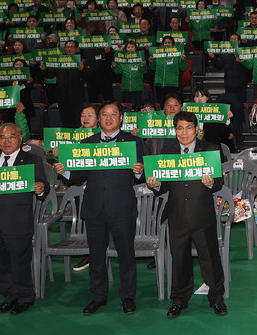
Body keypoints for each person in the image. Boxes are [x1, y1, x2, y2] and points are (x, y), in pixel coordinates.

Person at [54, 102, 145, 316]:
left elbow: (142, 175)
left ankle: (128, 296)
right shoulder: (87, 143)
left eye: (113, 114)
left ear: (121, 118)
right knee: (96, 256)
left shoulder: (133, 142)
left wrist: (139, 171)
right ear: (99, 118)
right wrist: (65, 171)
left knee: (126, 255)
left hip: (122, 207)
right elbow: (79, 176)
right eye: (104, 114)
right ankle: (98, 296)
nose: (109, 118)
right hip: (94, 208)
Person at [145, 111, 227, 317]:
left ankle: (216, 298)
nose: (184, 132)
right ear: (174, 131)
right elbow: (163, 187)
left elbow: (219, 182)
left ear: (196, 130)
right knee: (179, 260)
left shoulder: (209, 149)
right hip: (177, 215)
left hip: (202, 215)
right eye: (180, 128)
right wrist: (154, 185)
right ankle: (179, 299)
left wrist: (211, 183)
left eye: (189, 127)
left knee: (210, 259)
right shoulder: (167, 152)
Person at [0, 123, 49, 315]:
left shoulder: (31, 160)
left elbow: (43, 184)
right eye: (2, 137)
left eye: (11, 137)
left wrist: (41, 187)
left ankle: (25, 297)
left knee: (19, 263)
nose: (7, 141)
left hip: (18, 221)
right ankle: (10, 295)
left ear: (20, 138)